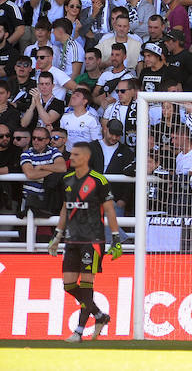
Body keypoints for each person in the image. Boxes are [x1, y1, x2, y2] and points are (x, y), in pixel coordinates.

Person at [49, 140, 127, 342]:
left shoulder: (99, 180)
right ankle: (100, 316)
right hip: (72, 239)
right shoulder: (67, 180)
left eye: (75, 155)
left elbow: (109, 209)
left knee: (85, 285)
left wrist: (116, 237)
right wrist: (58, 235)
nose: (71, 158)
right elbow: (66, 208)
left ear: (85, 158)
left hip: (93, 240)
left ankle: (79, 331)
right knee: (68, 285)